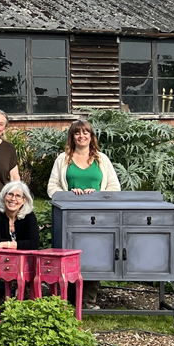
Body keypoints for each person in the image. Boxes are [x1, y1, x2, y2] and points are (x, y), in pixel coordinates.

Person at [46, 119, 122, 309]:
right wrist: (68, 194)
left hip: (98, 215)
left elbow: (115, 187)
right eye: (77, 133)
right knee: (70, 254)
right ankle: (68, 299)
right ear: (72, 137)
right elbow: (51, 187)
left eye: (85, 132)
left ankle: (88, 301)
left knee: (94, 255)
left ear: (91, 136)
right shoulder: (62, 159)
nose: (82, 136)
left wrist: (97, 194)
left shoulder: (101, 159)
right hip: (70, 216)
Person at [0, 180, 40, 278]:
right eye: (10, 194)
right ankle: (13, 293)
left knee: (30, 269)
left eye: (18, 196)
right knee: (11, 269)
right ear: (4, 196)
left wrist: (3, 244)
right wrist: (19, 244)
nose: (13, 199)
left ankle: (18, 292)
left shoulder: (29, 216)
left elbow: (34, 243)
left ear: (24, 200)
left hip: (20, 260)